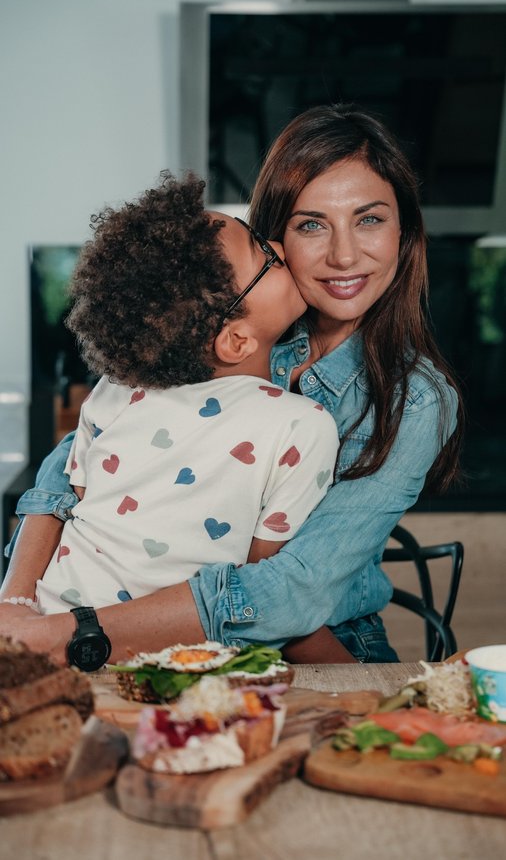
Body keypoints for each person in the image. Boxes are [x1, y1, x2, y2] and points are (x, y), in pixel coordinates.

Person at [1, 103, 463, 665]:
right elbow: (70, 465)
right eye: (311, 224)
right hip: (117, 624)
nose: (344, 255)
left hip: (311, 643)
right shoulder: (214, 325)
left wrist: (62, 630)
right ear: (275, 236)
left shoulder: (415, 399)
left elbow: (290, 593)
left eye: (369, 219)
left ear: (404, 231)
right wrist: (15, 600)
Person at [3, 172, 344, 644]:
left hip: (51, 622)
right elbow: (259, 571)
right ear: (235, 339)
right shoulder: (303, 427)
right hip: (180, 652)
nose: (281, 248)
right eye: (264, 256)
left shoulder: (115, 389)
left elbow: (78, 493)